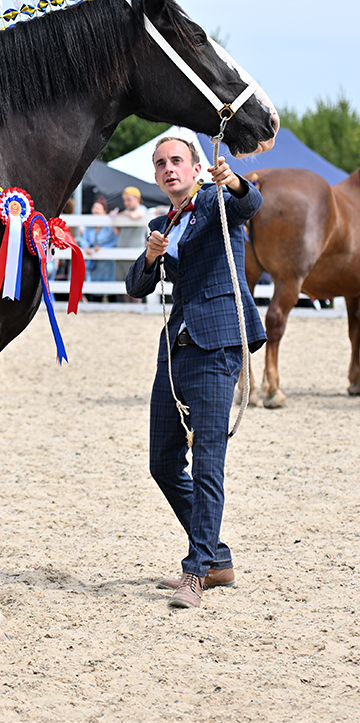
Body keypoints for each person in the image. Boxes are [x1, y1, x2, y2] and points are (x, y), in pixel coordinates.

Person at [125, 136, 265, 609]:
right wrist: (149, 256)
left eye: (176, 161)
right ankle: (218, 558)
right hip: (176, 349)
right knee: (162, 463)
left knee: (208, 460)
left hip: (219, 343)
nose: (168, 169)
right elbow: (136, 286)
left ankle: (196, 569)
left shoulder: (216, 202)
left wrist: (236, 182)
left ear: (196, 167)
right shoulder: (160, 222)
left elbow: (252, 203)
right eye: (160, 163)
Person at [112, 186, 148, 303]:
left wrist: (121, 215)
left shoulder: (142, 209)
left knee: (136, 283)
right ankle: (128, 307)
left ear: (137, 199)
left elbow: (135, 215)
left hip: (135, 252)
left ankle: (136, 307)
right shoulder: (125, 213)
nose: (126, 203)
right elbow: (116, 231)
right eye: (125, 200)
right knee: (123, 283)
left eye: (129, 200)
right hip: (122, 251)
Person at [80, 197, 117, 300]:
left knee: (109, 285)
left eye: (98, 208)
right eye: (94, 208)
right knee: (93, 285)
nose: (95, 210)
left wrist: (103, 248)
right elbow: (84, 239)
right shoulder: (90, 225)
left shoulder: (109, 226)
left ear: (104, 211)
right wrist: (86, 246)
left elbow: (114, 241)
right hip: (93, 261)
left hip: (106, 262)